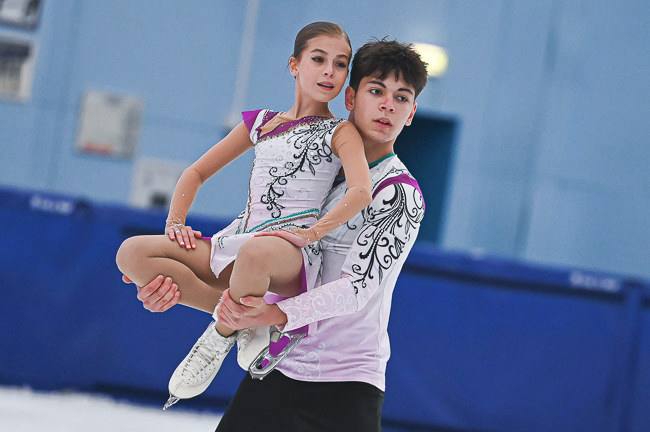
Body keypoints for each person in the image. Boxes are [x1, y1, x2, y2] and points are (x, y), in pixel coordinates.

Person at [127, 39, 428, 432]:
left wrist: (274, 314)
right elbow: (267, 250)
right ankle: (223, 325)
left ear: (411, 113)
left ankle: (224, 328)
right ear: (351, 98)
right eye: (377, 91)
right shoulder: (318, 162)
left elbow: (356, 289)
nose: (388, 105)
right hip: (277, 365)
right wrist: (173, 281)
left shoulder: (400, 193)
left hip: (343, 387)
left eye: (401, 98)